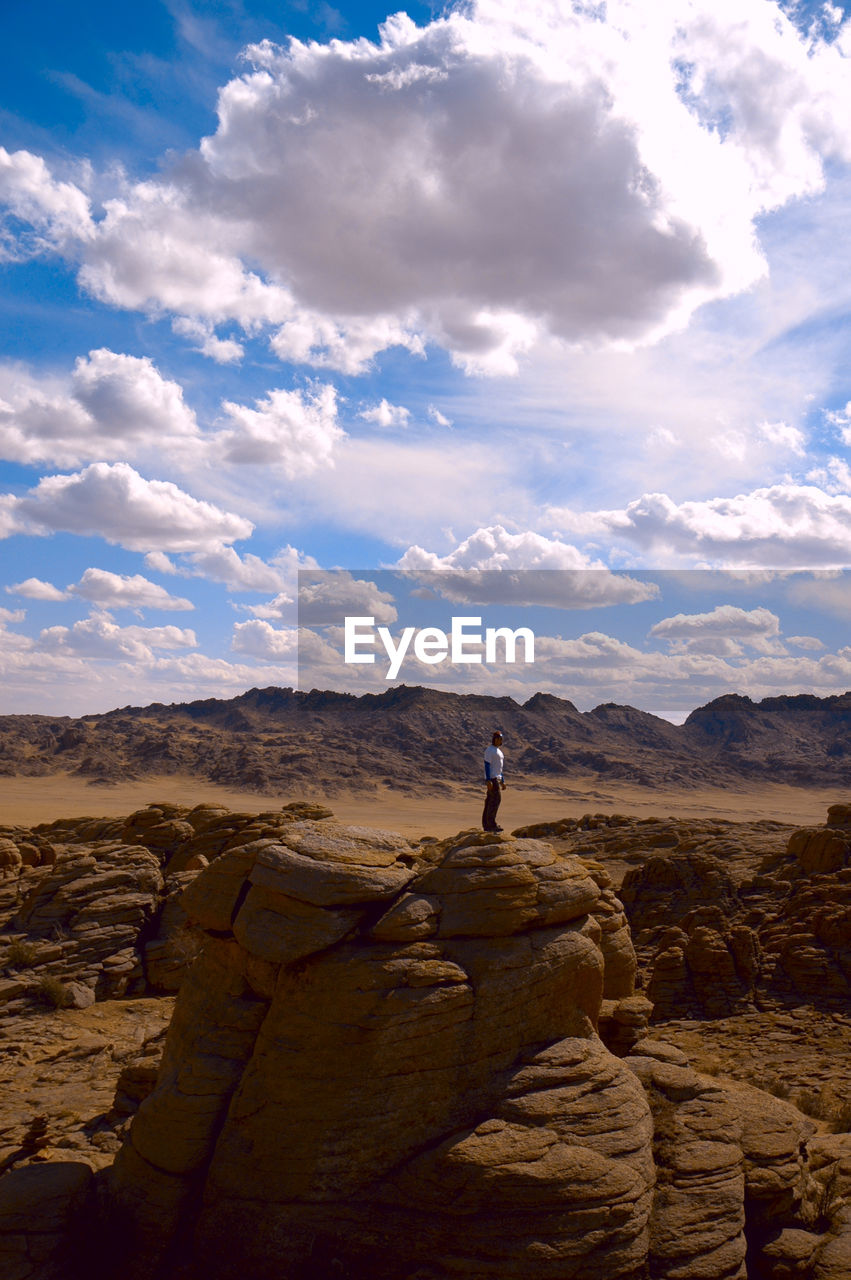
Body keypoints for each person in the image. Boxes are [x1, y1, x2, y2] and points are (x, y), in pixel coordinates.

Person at [482, 730, 506, 832]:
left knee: (490, 801)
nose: (500, 741)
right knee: (495, 800)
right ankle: (491, 825)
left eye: (501, 739)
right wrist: (488, 780)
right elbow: (487, 765)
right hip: (492, 779)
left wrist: (502, 780)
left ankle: (487, 825)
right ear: (494, 739)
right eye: (498, 739)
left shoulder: (499, 751)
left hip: (497, 778)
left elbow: (499, 768)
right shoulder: (489, 750)